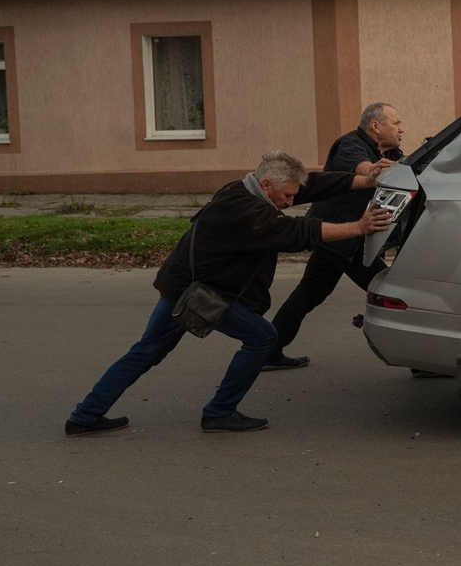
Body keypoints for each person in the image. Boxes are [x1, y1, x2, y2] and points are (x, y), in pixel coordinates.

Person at [64, 151, 392, 435]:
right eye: (287, 196)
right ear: (266, 186)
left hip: (187, 284)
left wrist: (364, 181)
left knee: (147, 350)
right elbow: (296, 232)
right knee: (263, 338)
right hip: (199, 291)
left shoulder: (250, 189)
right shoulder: (244, 210)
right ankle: (219, 412)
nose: (291, 202)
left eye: (293, 195)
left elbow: (312, 186)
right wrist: (358, 228)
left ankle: (85, 415)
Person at [263, 102, 405, 369]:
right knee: (389, 292)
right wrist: (373, 171)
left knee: (308, 294)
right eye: (396, 123)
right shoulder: (349, 144)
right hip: (339, 234)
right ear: (376, 126)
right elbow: (362, 168)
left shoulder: (395, 155)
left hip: (350, 238)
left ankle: (268, 351)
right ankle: (420, 360)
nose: (401, 129)